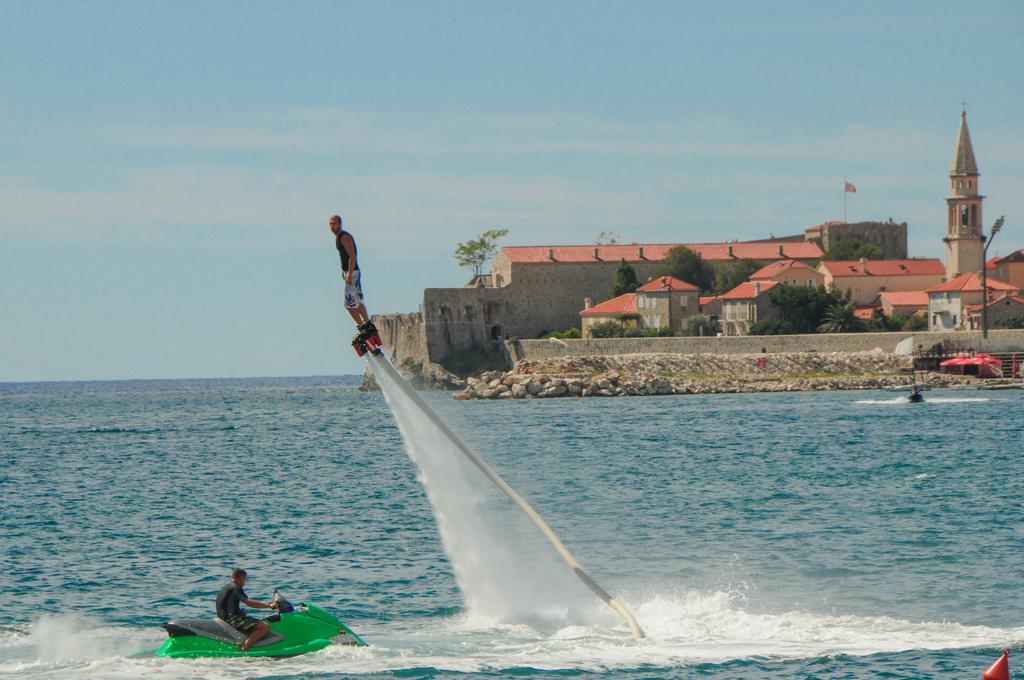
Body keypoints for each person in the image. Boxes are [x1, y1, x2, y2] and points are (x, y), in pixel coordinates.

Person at [329, 215, 376, 338]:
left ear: (340, 224)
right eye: (330, 224)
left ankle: (362, 328)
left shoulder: (344, 237)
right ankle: (368, 325)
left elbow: (353, 256)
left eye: (334, 224)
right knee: (358, 300)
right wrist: (345, 273)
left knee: (349, 304)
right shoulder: (338, 238)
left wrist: (349, 273)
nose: (332, 226)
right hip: (350, 273)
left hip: (353, 273)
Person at [216, 568, 276, 652]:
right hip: (232, 620)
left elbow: (226, 605)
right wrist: (269, 606)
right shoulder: (235, 588)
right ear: (239, 578)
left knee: (254, 621)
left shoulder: (227, 587)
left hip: (225, 617)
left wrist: (239, 612)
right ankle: (244, 648)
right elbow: (249, 602)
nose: (244, 582)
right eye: (244, 579)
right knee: (264, 627)